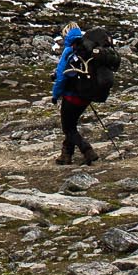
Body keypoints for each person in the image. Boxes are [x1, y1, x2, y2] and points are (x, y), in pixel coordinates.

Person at [51, 20, 99, 166]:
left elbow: (61, 77)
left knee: (68, 128)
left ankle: (87, 150)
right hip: (86, 95)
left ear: (66, 34)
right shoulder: (87, 47)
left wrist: (55, 95)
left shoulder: (69, 50)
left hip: (71, 97)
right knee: (71, 125)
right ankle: (66, 156)